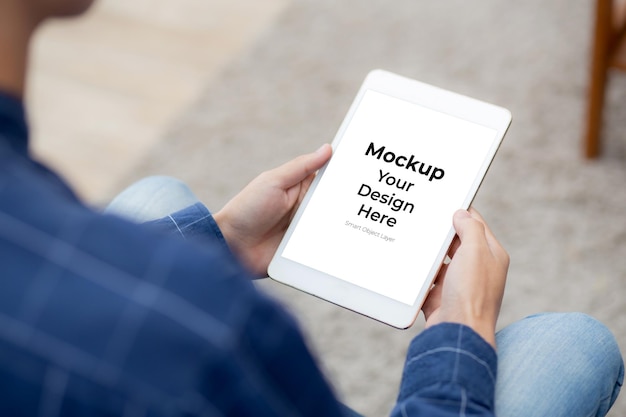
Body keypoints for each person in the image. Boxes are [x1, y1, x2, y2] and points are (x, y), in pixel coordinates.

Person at [0, 0, 623, 416]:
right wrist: (462, 330)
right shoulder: (210, 318)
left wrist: (219, 238)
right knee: (574, 342)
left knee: (159, 198)